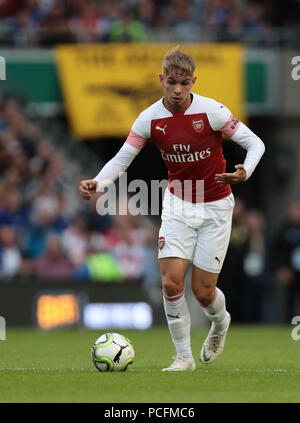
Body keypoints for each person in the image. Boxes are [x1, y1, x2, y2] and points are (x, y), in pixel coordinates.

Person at [78, 46, 265, 371]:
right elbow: (123, 159)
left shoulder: (213, 112)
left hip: (216, 207)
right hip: (178, 205)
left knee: (204, 292)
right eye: (171, 83)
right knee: (171, 282)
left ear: (193, 81)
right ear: (161, 79)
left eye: (184, 84)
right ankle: (183, 358)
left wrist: (244, 171)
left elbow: (255, 143)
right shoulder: (150, 118)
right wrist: (99, 182)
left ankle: (220, 325)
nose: (178, 90)